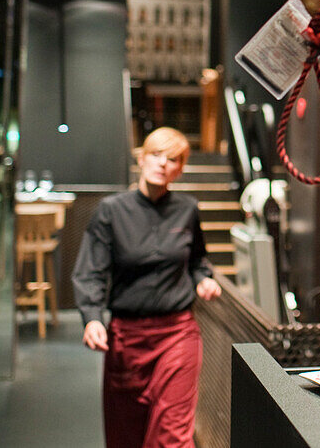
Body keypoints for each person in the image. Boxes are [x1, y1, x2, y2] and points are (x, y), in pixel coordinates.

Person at [72, 126, 222, 447]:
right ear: (141, 158)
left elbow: (197, 260)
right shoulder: (111, 211)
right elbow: (91, 271)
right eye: (156, 155)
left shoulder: (187, 209)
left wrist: (203, 279)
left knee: (172, 438)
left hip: (178, 335)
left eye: (172, 159)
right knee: (126, 436)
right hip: (127, 339)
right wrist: (93, 317)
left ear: (179, 170)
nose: (163, 164)